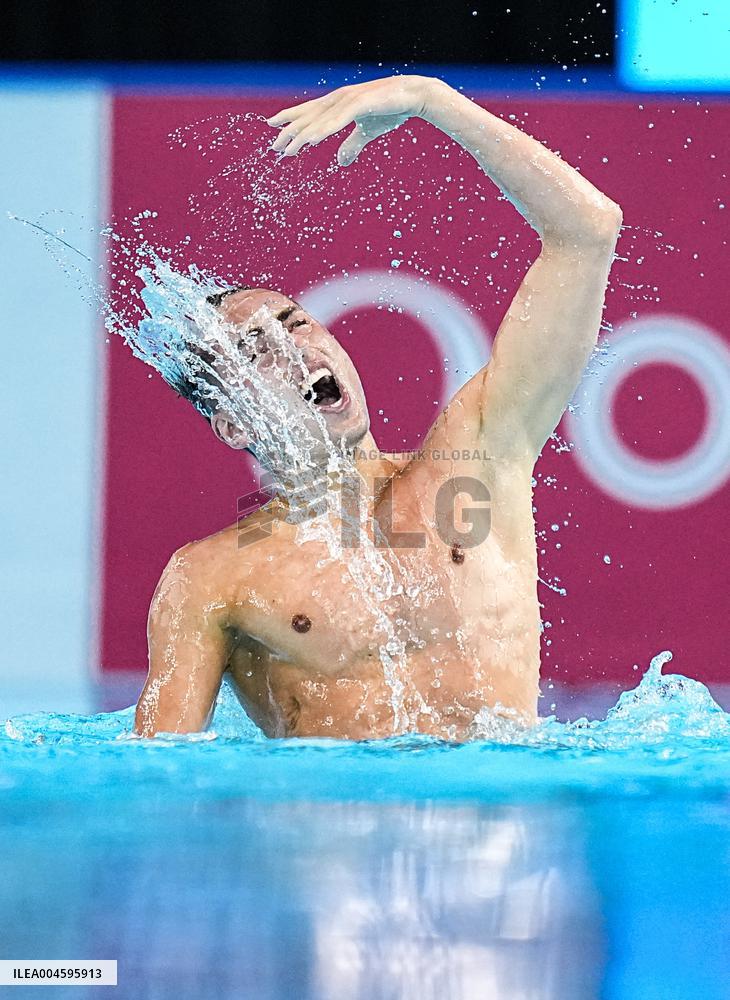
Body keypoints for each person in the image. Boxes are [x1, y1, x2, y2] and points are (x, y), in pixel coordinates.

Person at [134, 74, 622, 740]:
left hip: (506, 797)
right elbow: (159, 769)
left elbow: (588, 230)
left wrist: (432, 100)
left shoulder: (480, 457)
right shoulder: (212, 578)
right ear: (235, 422)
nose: (296, 348)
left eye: (296, 322)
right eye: (258, 350)